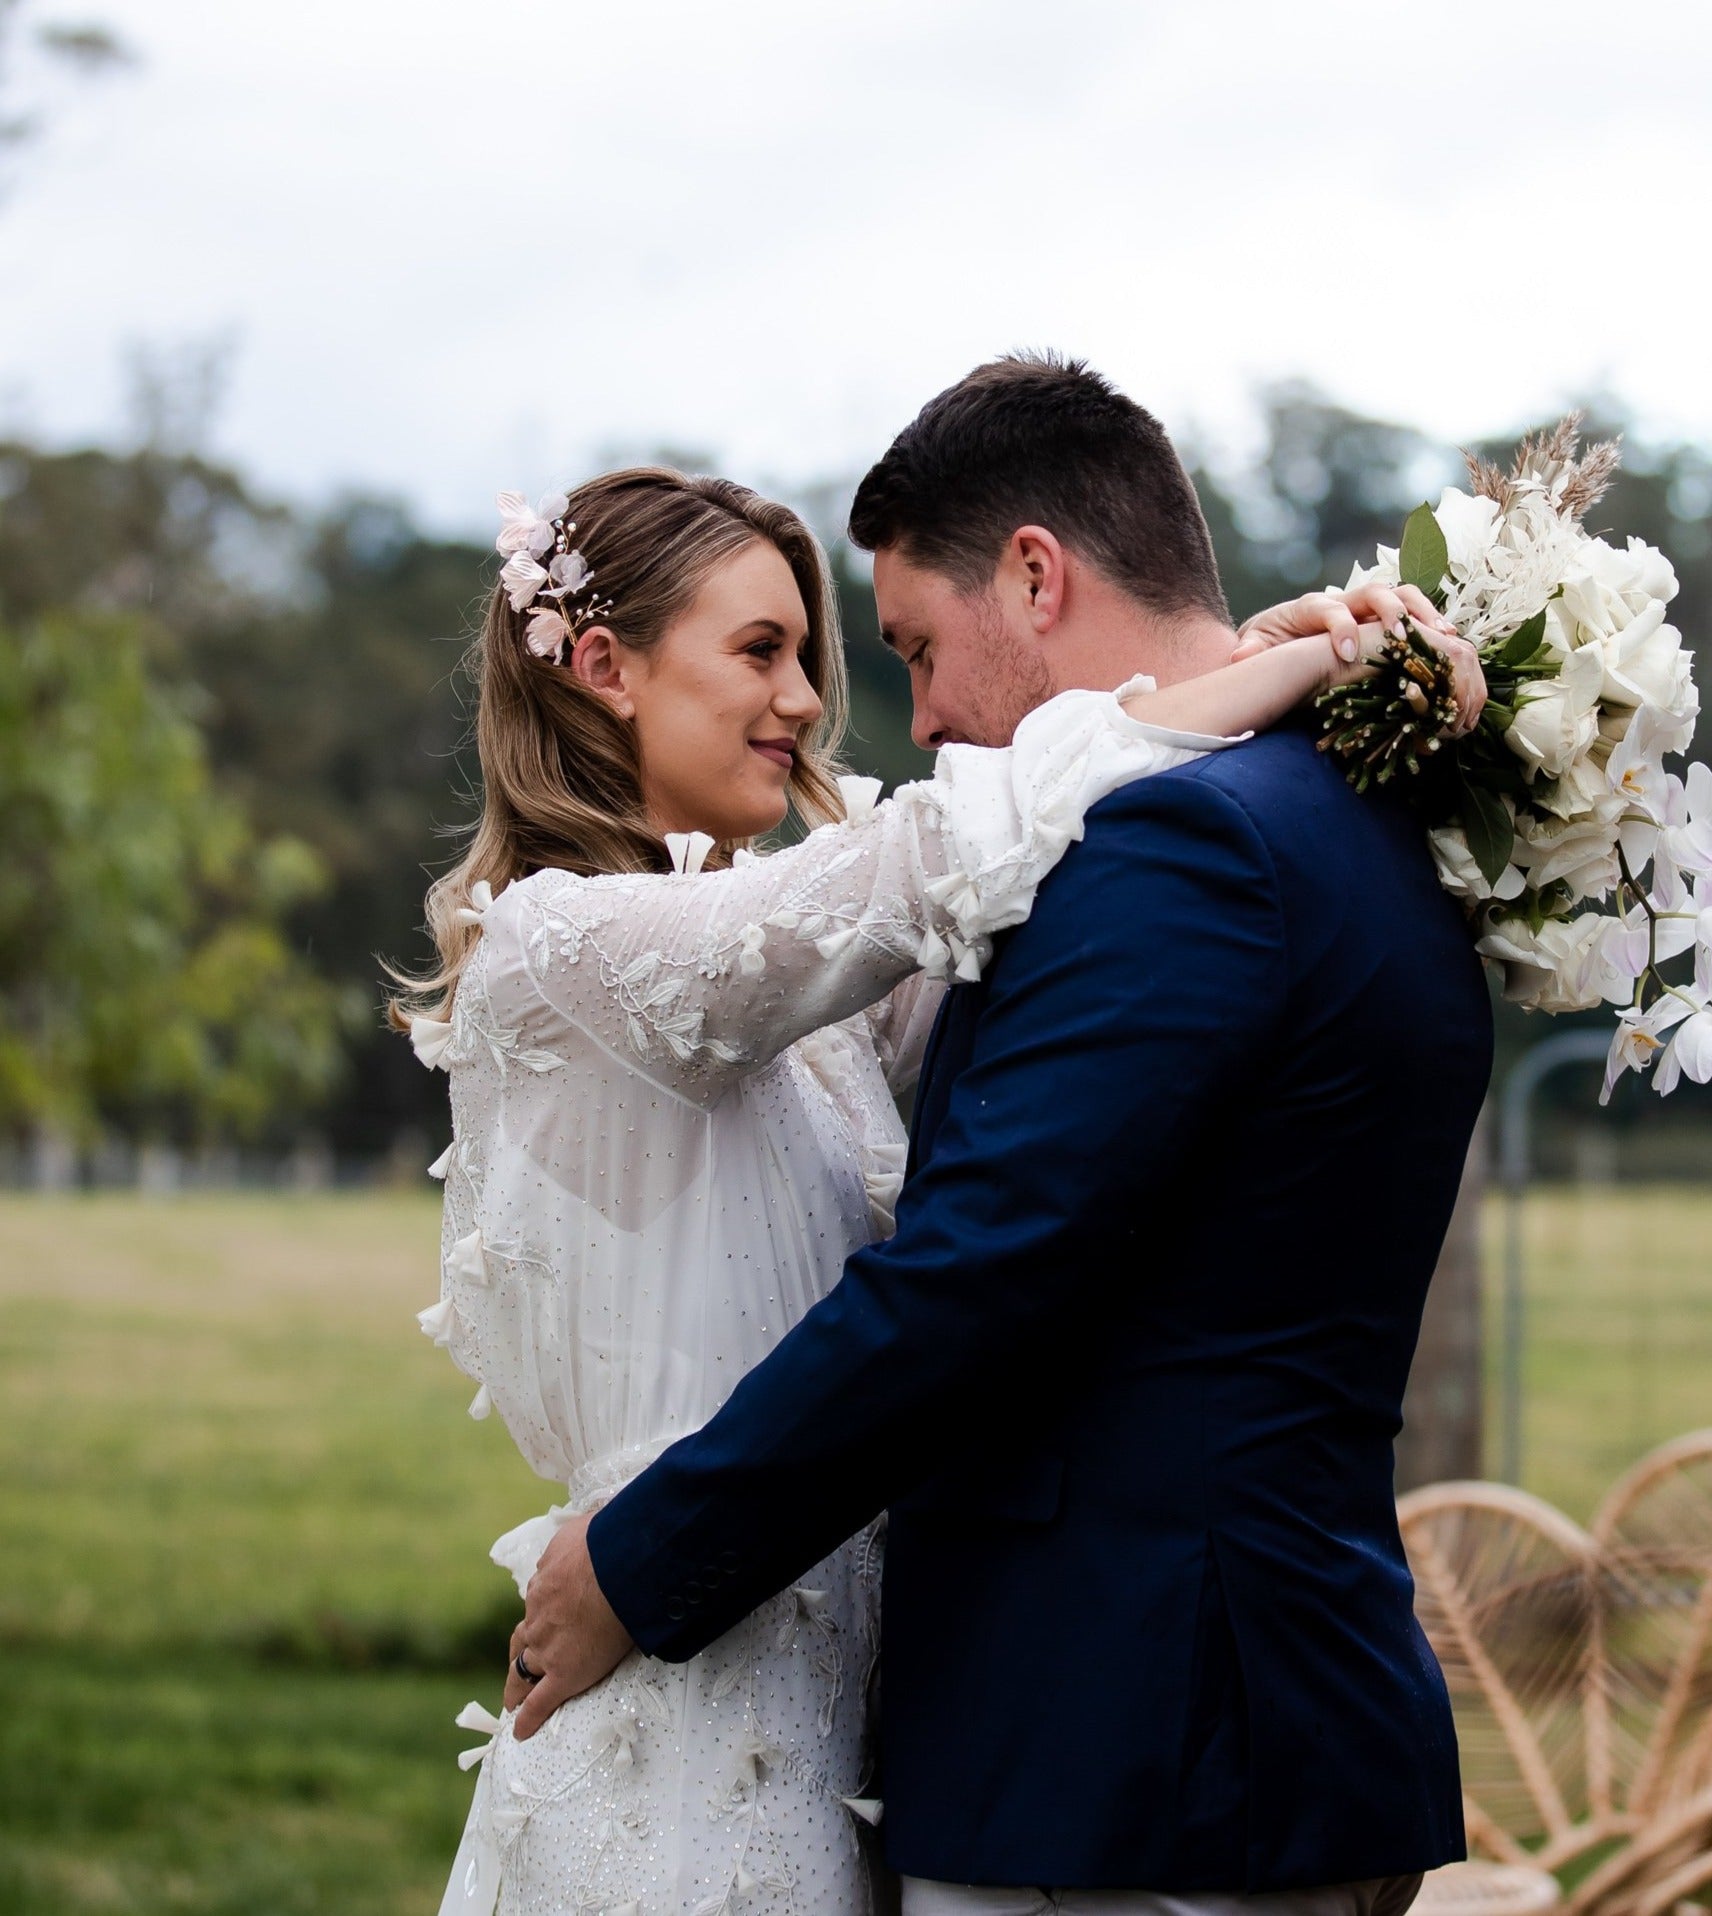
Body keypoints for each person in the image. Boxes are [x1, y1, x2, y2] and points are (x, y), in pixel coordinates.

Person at [399, 439, 1468, 1916]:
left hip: (859, 1726)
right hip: (673, 1684)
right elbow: (936, 852)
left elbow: (1010, 922)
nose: (805, 702)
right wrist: (1249, 678)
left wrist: (1262, 661)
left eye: (817, 655)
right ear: (603, 664)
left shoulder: (811, 1006)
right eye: (763, 650)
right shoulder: (558, 953)